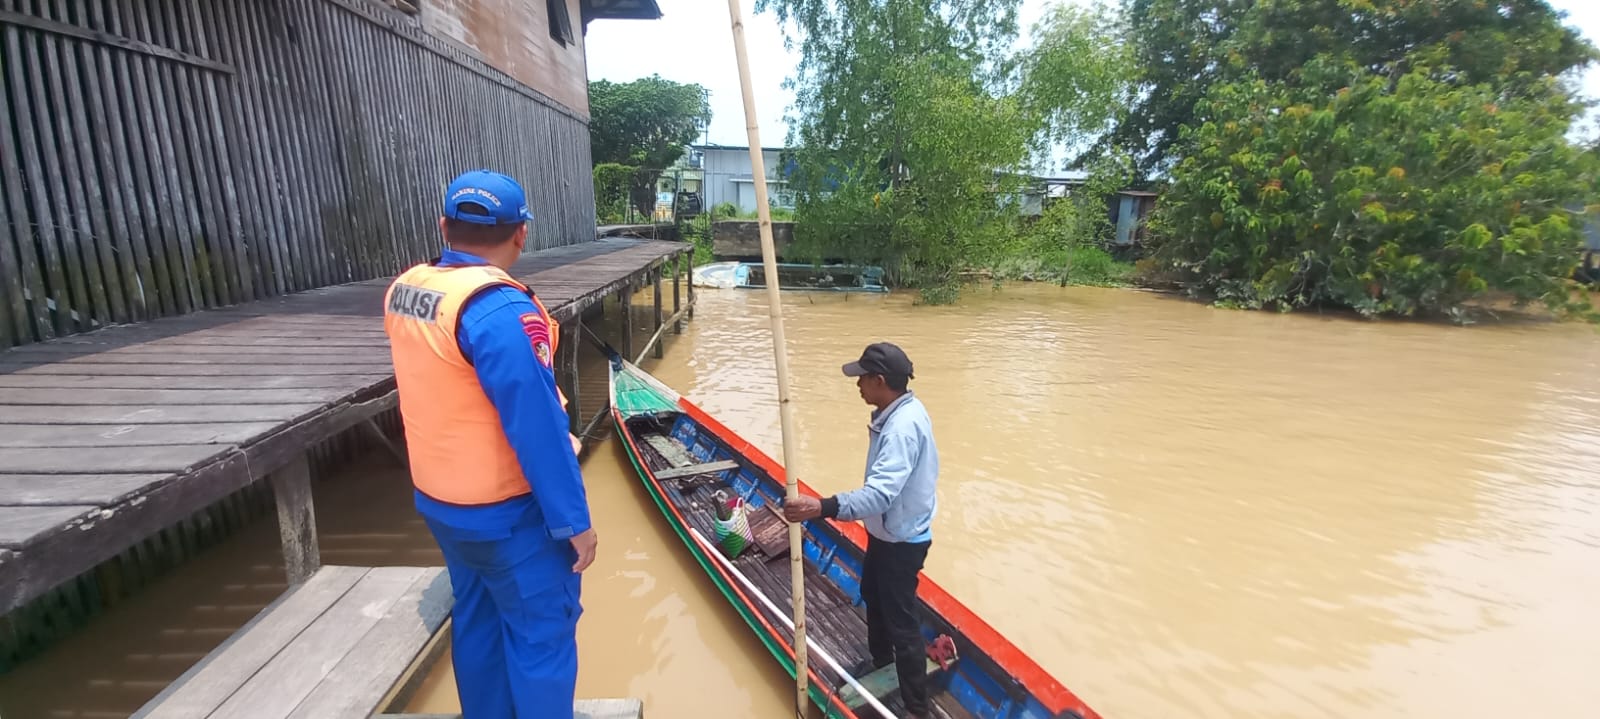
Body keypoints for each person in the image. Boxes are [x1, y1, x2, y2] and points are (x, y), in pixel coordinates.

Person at [383, 169, 596, 719]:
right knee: (542, 634)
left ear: (443, 226)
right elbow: (539, 429)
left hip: (441, 505)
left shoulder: (407, 290)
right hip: (508, 517)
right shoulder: (501, 312)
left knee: (478, 619)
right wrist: (575, 524)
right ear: (521, 234)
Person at [782, 342, 940, 719]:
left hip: (901, 539)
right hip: (890, 532)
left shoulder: (901, 428)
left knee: (902, 621)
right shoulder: (900, 411)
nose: (858, 385)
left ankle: (917, 708)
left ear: (880, 381)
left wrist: (823, 507)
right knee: (872, 593)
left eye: (862, 379)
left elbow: (881, 495)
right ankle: (881, 660)